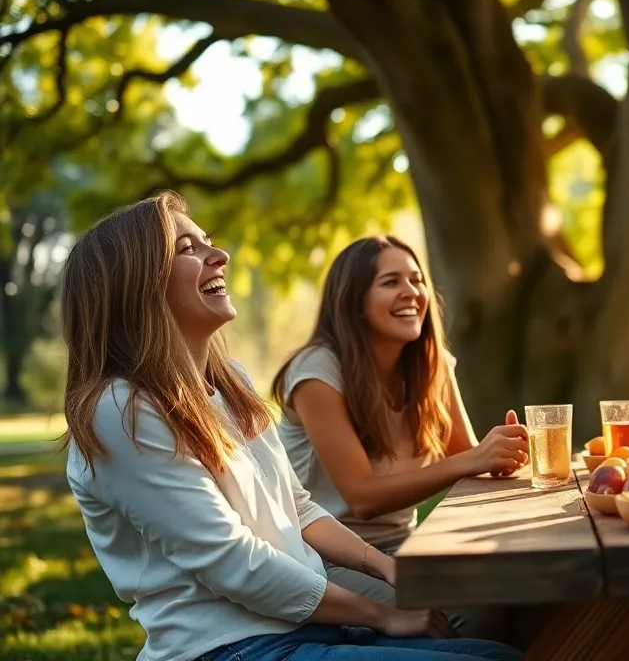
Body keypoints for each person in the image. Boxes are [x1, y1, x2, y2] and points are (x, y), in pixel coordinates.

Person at [61, 193, 522, 661]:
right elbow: (232, 562)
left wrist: (385, 567)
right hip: (231, 646)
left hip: (310, 625)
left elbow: (296, 509)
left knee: (497, 650)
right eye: (187, 248)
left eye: (209, 242)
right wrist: (381, 613)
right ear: (135, 285)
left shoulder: (229, 382)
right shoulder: (121, 409)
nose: (218, 255)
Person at [272, 236, 526, 639]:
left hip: (405, 547)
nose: (412, 292)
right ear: (354, 301)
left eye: (417, 279)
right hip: (327, 559)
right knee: (476, 616)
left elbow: (470, 467)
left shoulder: (431, 365)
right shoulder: (317, 372)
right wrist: (474, 459)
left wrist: (503, 456)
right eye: (391, 282)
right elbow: (364, 497)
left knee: (524, 594)